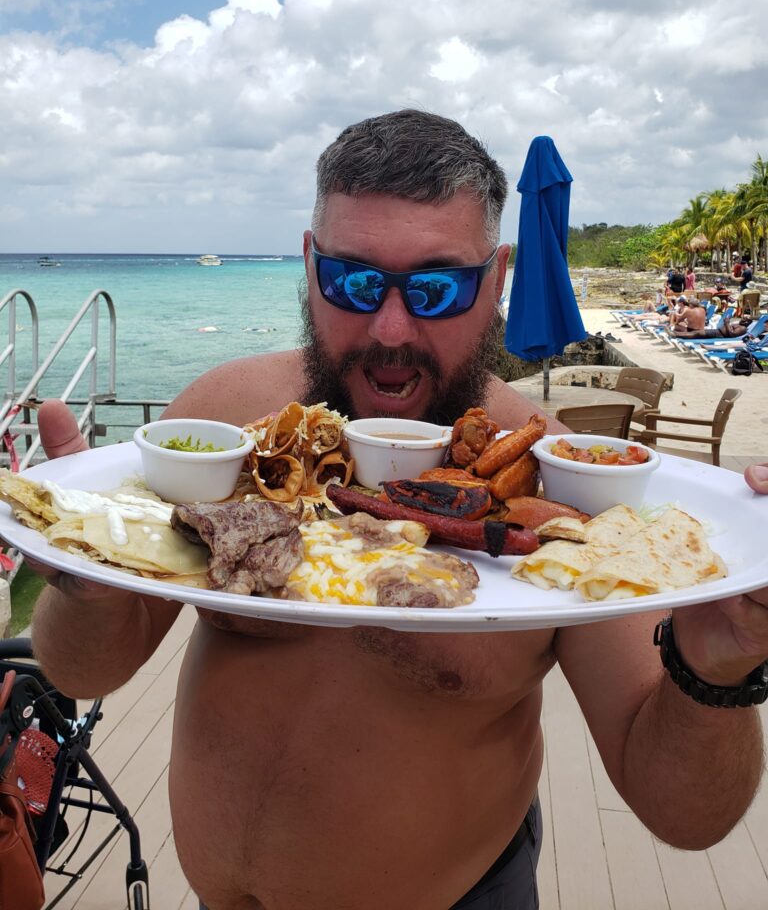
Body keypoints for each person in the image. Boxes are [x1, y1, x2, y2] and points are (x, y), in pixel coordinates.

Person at [9, 110, 768, 910]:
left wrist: (713, 669)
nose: (392, 328)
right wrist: (80, 567)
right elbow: (82, 668)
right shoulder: (229, 418)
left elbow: (686, 815)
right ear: (310, 267)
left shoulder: (558, 488)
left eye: (438, 287)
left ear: (497, 280)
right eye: (355, 282)